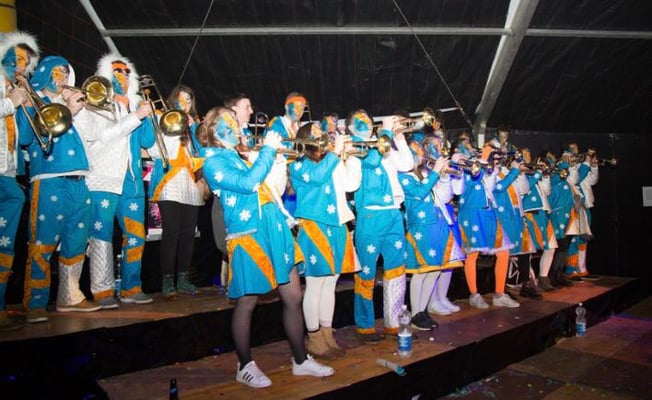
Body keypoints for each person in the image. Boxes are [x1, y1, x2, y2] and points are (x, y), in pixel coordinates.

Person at [202, 108, 333, 388]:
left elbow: (272, 187)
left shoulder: (241, 156)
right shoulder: (212, 162)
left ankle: (300, 360)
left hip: (274, 229)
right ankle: (244, 365)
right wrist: (268, 151)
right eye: (228, 124)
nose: (235, 127)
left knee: (293, 295)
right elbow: (248, 184)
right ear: (213, 130)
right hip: (249, 236)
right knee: (247, 301)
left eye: (235, 123)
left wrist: (275, 161)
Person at [18, 55, 101, 322]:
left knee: (76, 242)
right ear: (44, 73)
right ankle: (36, 302)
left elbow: (92, 135)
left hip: (79, 181)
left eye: (65, 72)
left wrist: (79, 110)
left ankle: (70, 296)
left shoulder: (70, 104)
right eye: (56, 72)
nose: (62, 77)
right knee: (43, 242)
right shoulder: (36, 100)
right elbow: (26, 137)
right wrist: (58, 108)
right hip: (49, 180)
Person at [74, 53, 155, 308]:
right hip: (103, 178)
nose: (124, 76)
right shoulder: (96, 103)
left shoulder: (133, 106)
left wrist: (147, 115)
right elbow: (104, 136)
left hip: (131, 179)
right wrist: (136, 116)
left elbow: (148, 141)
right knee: (101, 235)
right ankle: (103, 291)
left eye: (127, 72)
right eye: (118, 71)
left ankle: (131, 287)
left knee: (136, 235)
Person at [289, 122, 361, 359]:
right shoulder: (298, 164)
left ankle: (327, 333)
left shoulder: (331, 159)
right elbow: (318, 177)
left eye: (322, 132)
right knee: (315, 284)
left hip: (337, 224)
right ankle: (314, 337)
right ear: (304, 138)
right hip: (315, 226)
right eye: (316, 133)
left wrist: (350, 158)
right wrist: (334, 153)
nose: (322, 136)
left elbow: (351, 184)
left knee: (331, 282)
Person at [348, 109, 415, 342]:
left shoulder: (382, 142)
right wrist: (385, 130)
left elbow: (407, 164)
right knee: (366, 273)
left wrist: (399, 137)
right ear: (351, 128)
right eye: (361, 121)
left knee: (396, 270)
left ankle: (393, 323)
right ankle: (365, 326)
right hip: (371, 216)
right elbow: (373, 160)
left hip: (394, 213)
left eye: (369, 120)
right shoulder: (355, 146)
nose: (367, 123)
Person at [148, 85, 205, 297]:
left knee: (188, 233)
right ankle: (167, 280)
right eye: (181, 100)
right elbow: (154, 151)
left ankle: (183, 278)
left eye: (189, 100)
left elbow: (200, 152)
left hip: (190, 182)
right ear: (173, 100)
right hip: (169, 181)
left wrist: (193, 129)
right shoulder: (162, 118)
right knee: (171, 232)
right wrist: (175, 129)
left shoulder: (193, 124)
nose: (185, 104)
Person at [0, 31, 39, 330]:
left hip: (9, 172)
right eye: (17, 59)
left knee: (6, 244)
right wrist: (9, 103)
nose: (21, 66)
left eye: (26, 62)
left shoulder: (14, 90)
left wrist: (27, 105)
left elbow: (25, 138)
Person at [456, 140, 520, 309]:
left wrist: (494, 166)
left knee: (504, 251)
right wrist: (483, 159)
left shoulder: (486, 165)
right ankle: (474, 294)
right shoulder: (462, 161)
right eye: (466, 143)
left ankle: (499, 294)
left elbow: (492, 188)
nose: (471, 146)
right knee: (472, 253)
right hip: (471, 212)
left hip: (488, 212)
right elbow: (471, 181)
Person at [399, 139, 451, 331]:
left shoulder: (426, 174)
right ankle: (415, 313)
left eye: (420, 149)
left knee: (435, 269)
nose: (420, 153)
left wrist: (443, 178)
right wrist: (436, 171)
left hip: (437, 223)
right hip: (420, 226)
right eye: (415, 150)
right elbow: (419, 193)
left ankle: (422, 310)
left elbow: (444, 197)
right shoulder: (403, 176)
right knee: (421, 271)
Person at [520, 149, 558, 292]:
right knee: (529, 250)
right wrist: (537, 173)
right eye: (524, 155)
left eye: (528, 155)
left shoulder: (533, 173)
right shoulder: (520, 174)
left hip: (543, 212)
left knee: (551, 246)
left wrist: (545, 175)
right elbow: (524, 188)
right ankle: (529, 281)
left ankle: (543, 277)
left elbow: (547, 191)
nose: (527, 157)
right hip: (530, 214)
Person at [564, 143, 600, 281]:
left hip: (586, 205)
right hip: (574, 206)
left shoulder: (582, 165)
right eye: (573, 148)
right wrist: (586, 162)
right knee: (573, 239)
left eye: (576, 148)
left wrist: (594, 166)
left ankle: (582, 268)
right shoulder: (568, 164)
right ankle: (571, 269)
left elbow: (593, 181)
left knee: (584, 238)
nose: (577, 150)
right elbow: (576, 179)